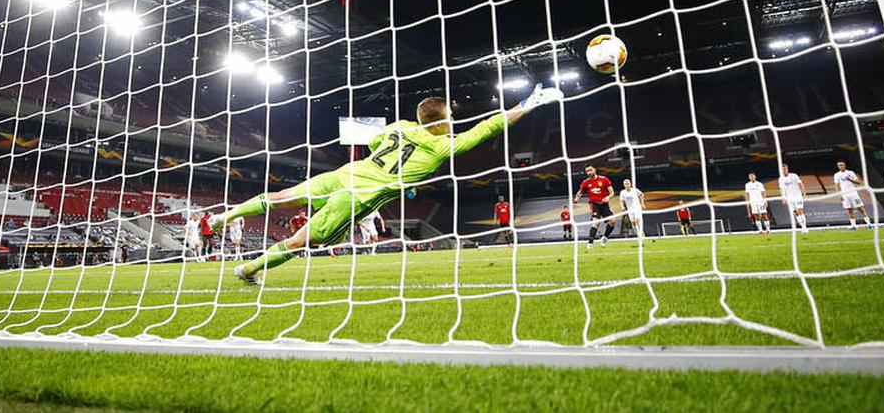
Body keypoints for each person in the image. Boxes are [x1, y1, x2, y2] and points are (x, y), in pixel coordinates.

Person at [211, 84, 563, 284]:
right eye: (450, 119)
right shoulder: (443, 145)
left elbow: (375, 142)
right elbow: (488, 127)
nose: (453, 123)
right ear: (441, 123)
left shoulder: (400, 127)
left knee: (283, 196)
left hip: (347, 173)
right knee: (304, 241)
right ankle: (249, 269)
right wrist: (527, 104)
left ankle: (224, 216)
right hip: (360, 195)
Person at [575, 165, 614, 249]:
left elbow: (612, 193)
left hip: (604, 204)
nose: (589, 172)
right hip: (594, 204)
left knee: (612, 221)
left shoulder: (604, 179)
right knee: (596, 223)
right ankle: (590, 243)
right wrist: (576, 198)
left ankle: (604, 238)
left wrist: (608, 197)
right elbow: (580, 192)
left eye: (590, 170)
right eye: (587, 171)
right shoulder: (585, 182)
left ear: (595, 170)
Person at [833, 160, 872, 230]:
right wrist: (839, 194)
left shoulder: (850, 172)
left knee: (860, 208)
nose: (840, 166)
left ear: (845, 165)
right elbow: (836, 185)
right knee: (850, 210)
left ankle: (869, 224)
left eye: (842, 165)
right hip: (845, 195)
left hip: (853, 194)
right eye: (839, 165)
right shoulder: (836, 175)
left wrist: (850, 179)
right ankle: (854, 226)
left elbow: (858, 182)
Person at [778, 164, 809, 234]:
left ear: (787, 169)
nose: (784, 170)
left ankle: (804, 228)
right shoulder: (781, 179)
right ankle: (803, 227)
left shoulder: (794, 175)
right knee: (796, 213)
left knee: (799, 211)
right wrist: (783, 198)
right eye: (783, 169)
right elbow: (782, 189)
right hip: (789, 198)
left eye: (785, 169)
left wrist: (804, 194)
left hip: (797, 196)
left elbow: (801, 184)